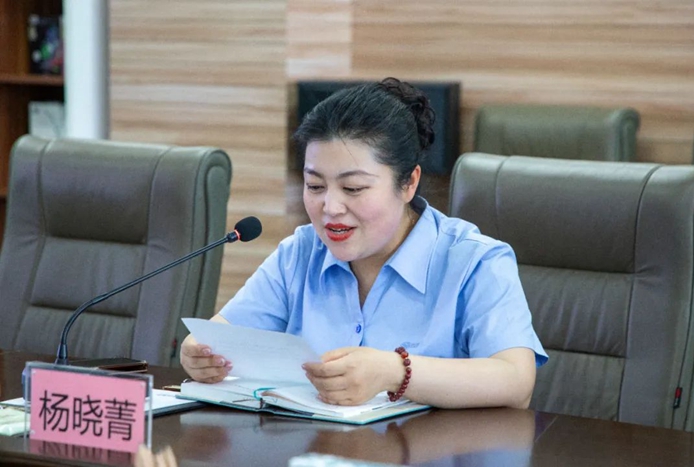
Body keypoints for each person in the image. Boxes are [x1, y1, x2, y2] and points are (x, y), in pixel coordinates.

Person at [180, 77, 547, 409]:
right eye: (315, 186)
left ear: (408, 183)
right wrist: (199, 353)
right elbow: (220, 333)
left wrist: (395, 371)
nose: (330, 207)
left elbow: (516, 380)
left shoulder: (474, 261)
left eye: (353, 188)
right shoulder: (301, 253)